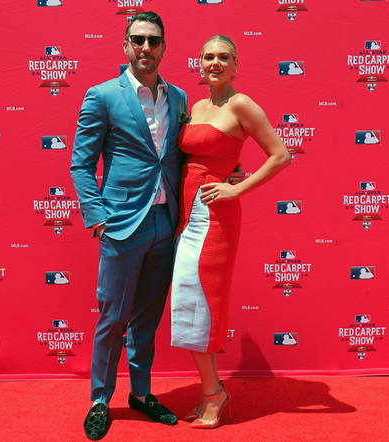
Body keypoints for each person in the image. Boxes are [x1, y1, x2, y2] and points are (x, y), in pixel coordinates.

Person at [70, 11, 186, 440]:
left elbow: (180, 156)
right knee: (112, 317)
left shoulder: (177, 98)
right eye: (138, 40)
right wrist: (97, 217)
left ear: (163, 48)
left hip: (164, 223)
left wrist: (227, 170)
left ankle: (141, 394)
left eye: (154, 41)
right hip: (122, 226)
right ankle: (101, 399)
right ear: (125, 46)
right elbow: (81, 164)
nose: (146, 49)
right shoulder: (102, 96)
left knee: (147, 319)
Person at [170, 34, 291, 429]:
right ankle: (214, 390)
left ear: (235, 65)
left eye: (224, 57)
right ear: (199, 64)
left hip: (215, 221)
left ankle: (213, 396)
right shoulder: (197, 105)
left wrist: (236, 186)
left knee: (202, 305)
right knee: (189, 306)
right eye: (208, 56)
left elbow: (281, 154)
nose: (215, 62)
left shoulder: (240, 104)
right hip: (188, 220)